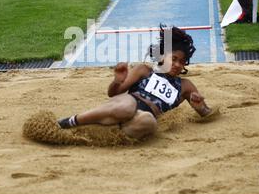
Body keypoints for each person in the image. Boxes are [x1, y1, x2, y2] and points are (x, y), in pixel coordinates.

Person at [57, 26, 218, 140]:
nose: (177, 64)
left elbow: (207, 113)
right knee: (126, 108)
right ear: (162, 56)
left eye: (182, 62)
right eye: (173, 59)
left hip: (142, 117)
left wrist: (200, 107)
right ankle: (70, 121)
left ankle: (106, 135)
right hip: (127, 103)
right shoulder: (144, 70)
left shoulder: (185, 86)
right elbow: (113, 93)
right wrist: (116, 81)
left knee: (149, 123)